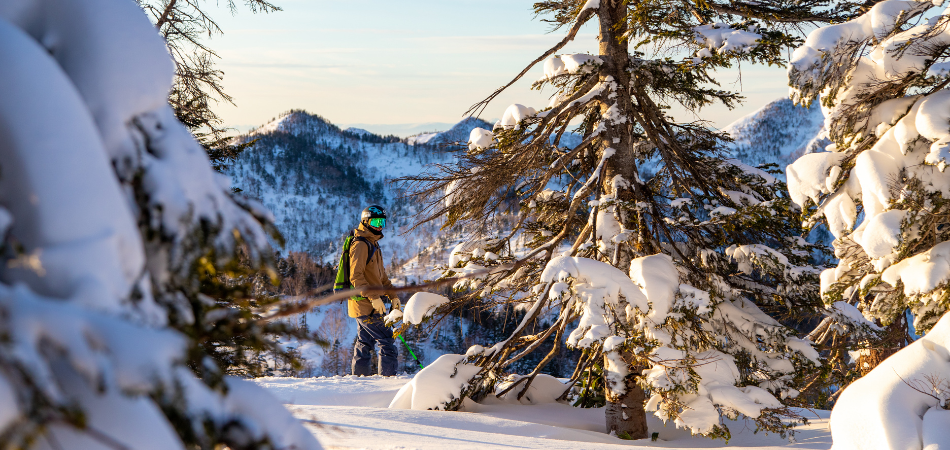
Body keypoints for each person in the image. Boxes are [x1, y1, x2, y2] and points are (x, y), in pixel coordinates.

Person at [348, 205, 401, 376]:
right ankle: (388, 383)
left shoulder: (373, 245)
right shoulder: (361, 245)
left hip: (368, 304)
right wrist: (373, 298)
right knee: (387, 340)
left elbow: (382, 279)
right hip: (365, 304)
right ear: (366, 221)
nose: (380, 226)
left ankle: (360, 381)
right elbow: (355, 277)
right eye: (377, 221)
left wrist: (393, 296)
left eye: (382, 222)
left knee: (364, 343)